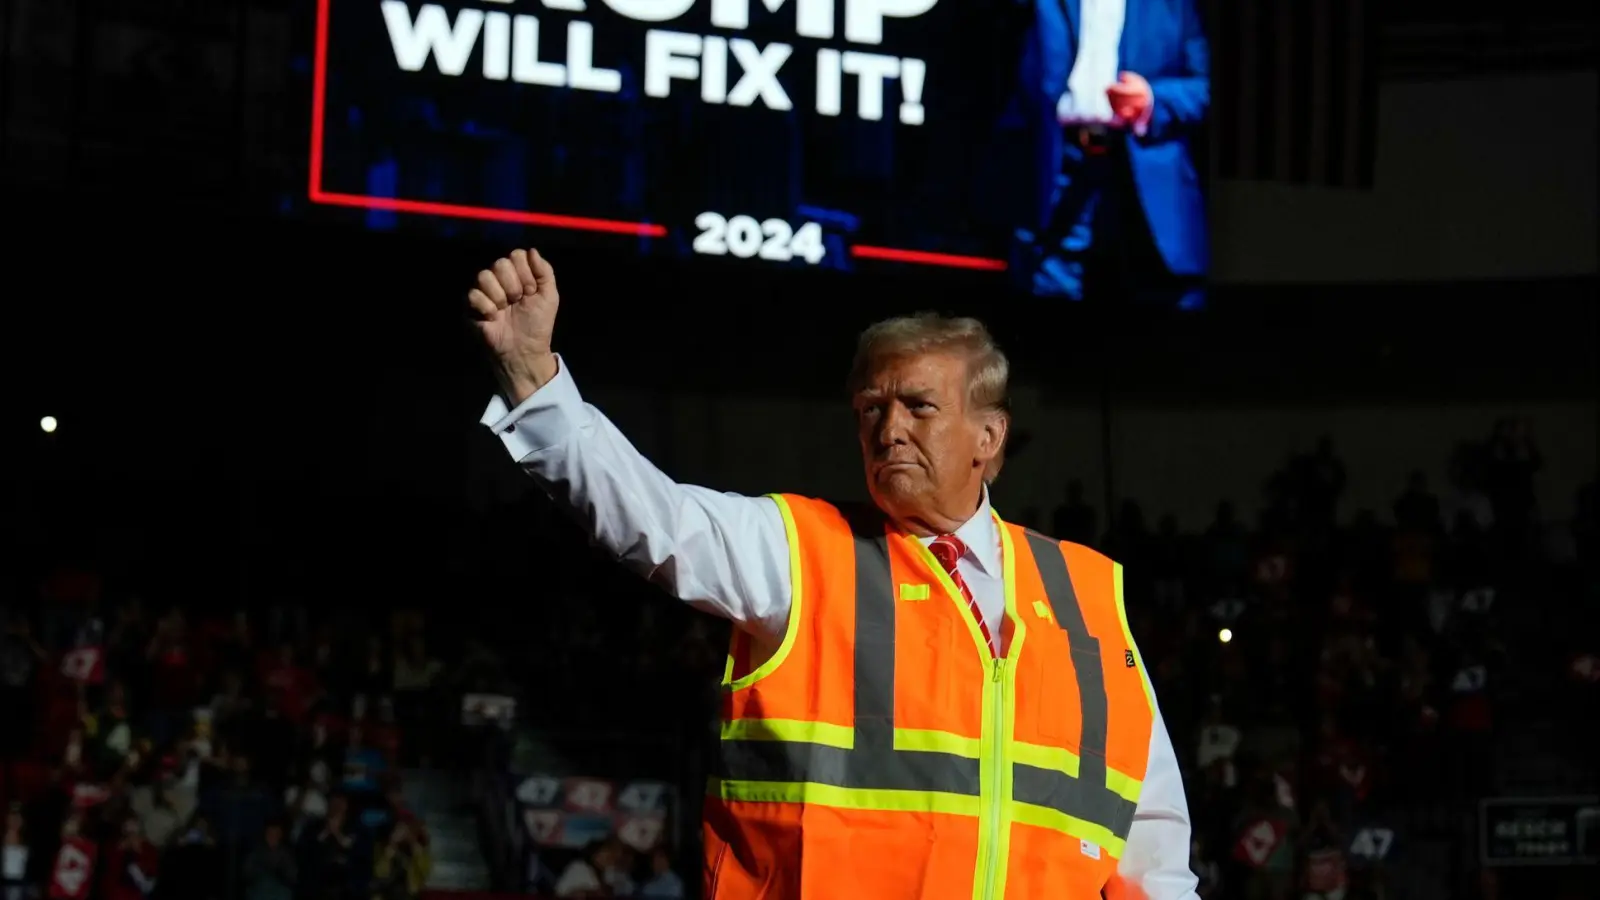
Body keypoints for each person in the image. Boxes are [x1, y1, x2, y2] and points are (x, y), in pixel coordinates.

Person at [468, 249, 1199, 899]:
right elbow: (653, 519)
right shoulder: (801, 551)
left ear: (989, 435)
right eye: (871, 409)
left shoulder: (1089, 593)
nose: (889, 430)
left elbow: (1154, 843)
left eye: (918, 406)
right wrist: (538, 384)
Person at [1011, 0, 1209, 305]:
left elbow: (1205, 86)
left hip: (1146, 171)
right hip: (1059, 164)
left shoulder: (1176, 6)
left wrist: (1152, 99)